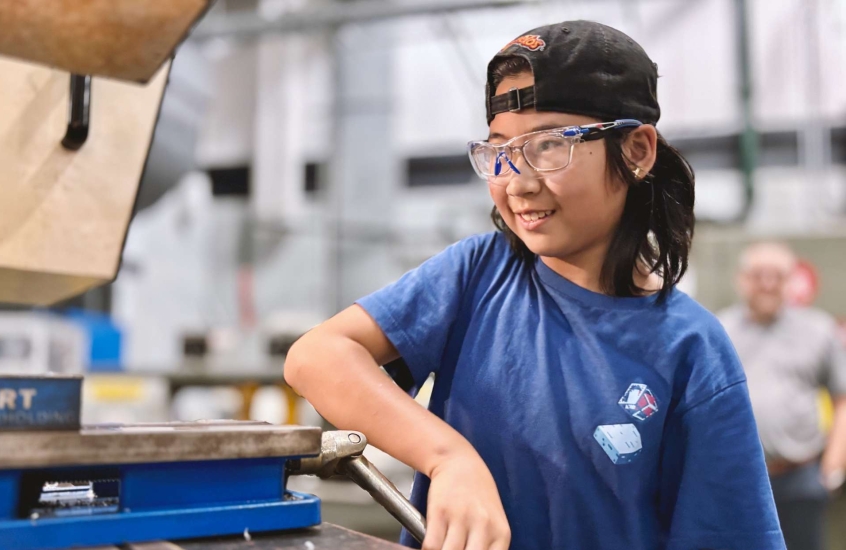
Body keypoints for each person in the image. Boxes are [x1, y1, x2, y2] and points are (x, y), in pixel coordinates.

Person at [285, 21, 785, 550]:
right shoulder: (479, 276)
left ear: (637, 150)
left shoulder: (691, 351)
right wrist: (448, 457)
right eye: (500, 149)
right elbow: (316, 357)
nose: (518, 182)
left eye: (549, 146)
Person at [719, 242, 846, 550]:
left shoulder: (819, 330)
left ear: (791, 280)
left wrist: (833, 464)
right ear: (742, 279)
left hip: (800, 477)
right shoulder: (718, 330)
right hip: (738, 480)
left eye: (776, 275)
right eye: (758, 275)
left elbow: (842, 397)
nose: (767, 284)